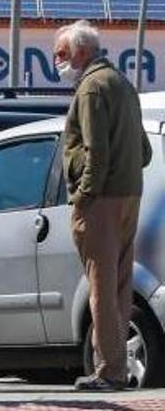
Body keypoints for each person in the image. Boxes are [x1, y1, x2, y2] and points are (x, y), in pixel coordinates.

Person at [53, 20, 152, 391]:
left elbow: (97, 151)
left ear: (81, 52)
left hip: (102, 200)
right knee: (119, 288)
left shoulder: (91, 88)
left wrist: (84, 196)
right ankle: (116, 366)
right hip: (129, 194)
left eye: (61, 54)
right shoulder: (122, 84)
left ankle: (109, 371)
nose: (58, 62)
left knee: (101, 288)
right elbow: (142, 150)